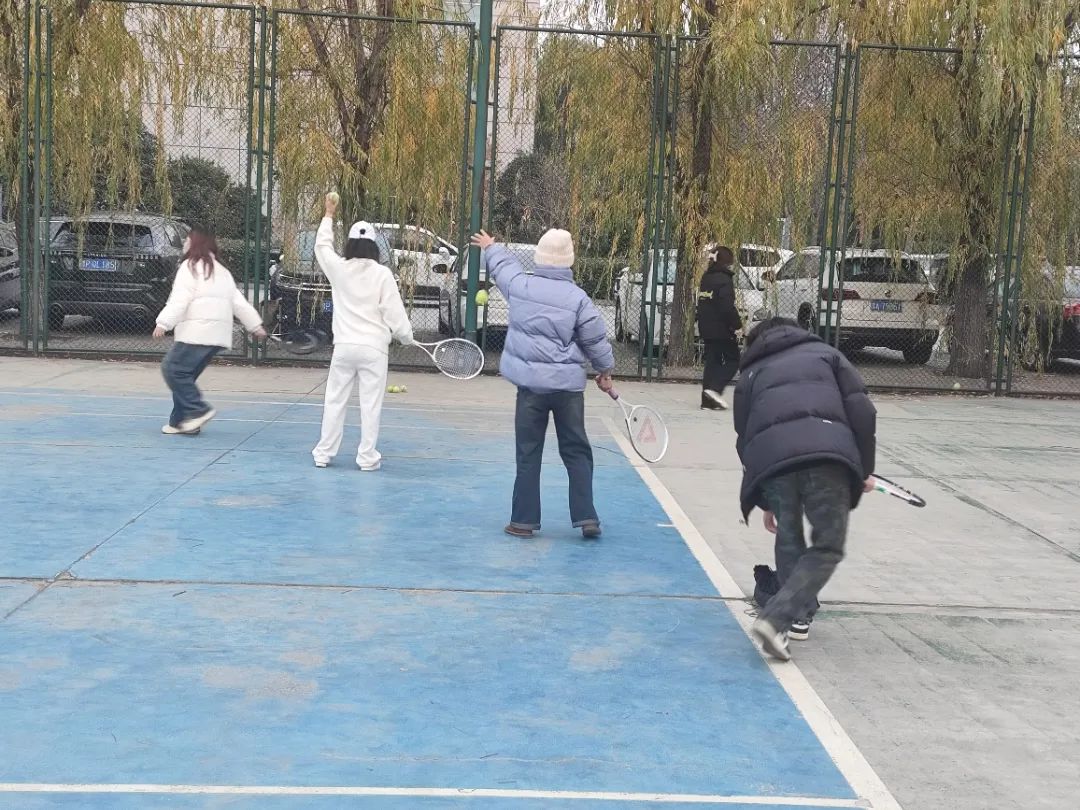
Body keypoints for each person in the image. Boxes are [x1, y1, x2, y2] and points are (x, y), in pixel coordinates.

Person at [733, 317, 876, 661]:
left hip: (777, 466)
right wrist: (864, 468)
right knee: (827, 546)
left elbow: (747, 439)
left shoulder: (750, 373)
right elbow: (862, 410)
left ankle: (789, 620)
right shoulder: (828, 355)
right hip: (828, 459)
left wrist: (766, 499)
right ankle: (780, 618)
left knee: (789, 537)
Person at [471, 228, 615, 540]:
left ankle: (522, 522)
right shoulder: (578, 298)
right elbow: (595, 339)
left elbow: (504, 269)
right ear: (570, 260)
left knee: (528, 452)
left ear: (538, 256)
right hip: (568, 389)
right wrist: (604, 370)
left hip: (531, 388)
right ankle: (587, 517)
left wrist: (491, 247)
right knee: (577, 451)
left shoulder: (522, 287)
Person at [311, 193, 413, 471]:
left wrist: (328, 215)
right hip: (374, 350)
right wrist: (405, 335)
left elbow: (322, 247)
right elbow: (394, 312)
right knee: (371, 405)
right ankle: (367, 458)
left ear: (350, 244)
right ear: (374, 247)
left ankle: (323, 454)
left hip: (344, 347)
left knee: (334, 401)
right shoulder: (382, 274)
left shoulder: (339, 269)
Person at [154, 226, 266, 435]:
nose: (185, 243)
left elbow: (179, 300)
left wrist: (163, 323)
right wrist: (255, 325)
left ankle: (199, 410)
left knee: (172, 370)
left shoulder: (189, 266)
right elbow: (239, 303)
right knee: (184, 377)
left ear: (195, 243)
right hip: (217, 337)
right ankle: (180, 422)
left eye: (188, 239)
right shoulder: (222, 272)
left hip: (196, 332)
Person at [696, 244, 743, 410]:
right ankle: (715, 390)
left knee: (712, 361)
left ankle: (706, 402)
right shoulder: (725, 280)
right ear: (727, 262)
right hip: (721, 329)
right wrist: (737, 326)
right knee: (733, 360)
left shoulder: (706, 278)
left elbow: (704, 302)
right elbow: (727, 307)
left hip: (706, 326)